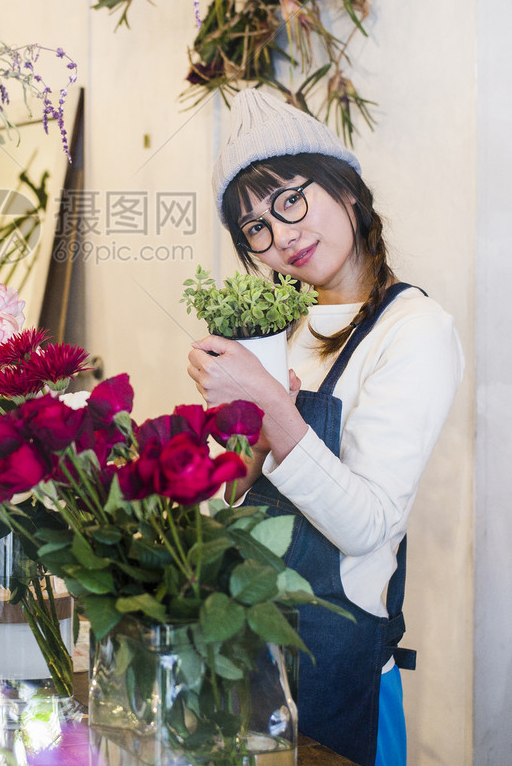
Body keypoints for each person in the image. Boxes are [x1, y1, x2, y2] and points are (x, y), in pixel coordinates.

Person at [186, 88, 463, 766]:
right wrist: (238, 429)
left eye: (290, 200)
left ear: (346, 190)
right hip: (251, 656)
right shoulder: (281, 332)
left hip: (342, 670)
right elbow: (239, 498)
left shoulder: (416, 331)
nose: (280, 235)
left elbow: (369, 525)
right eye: (255, 227)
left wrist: (274, 408)